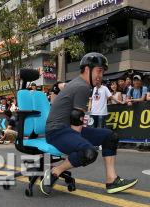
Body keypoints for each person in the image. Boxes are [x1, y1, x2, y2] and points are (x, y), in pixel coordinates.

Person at [41, 52, 137, 195]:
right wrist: (74, 144)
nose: (101, 76)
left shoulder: (76, 83)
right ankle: (54, 172)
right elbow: (76, 118)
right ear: (87, 69)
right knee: (88, 152)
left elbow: (56, 86)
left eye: (103, 72)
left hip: (66, 129)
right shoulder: (82, 87)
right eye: (99, 71)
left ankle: (112, 180)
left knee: (110, 137)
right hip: (57, 132)